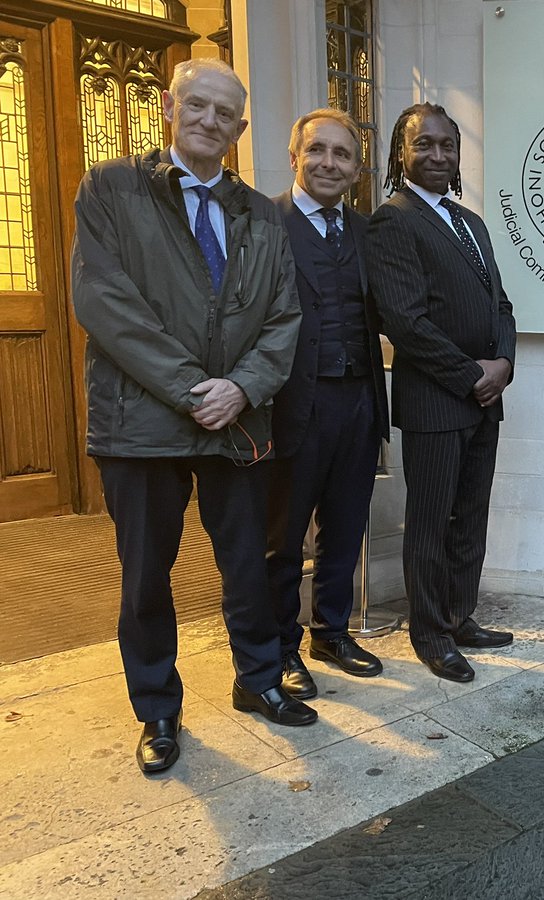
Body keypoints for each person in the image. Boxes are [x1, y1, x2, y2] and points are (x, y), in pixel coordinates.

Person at [71, 59, 314, 775]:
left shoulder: (261, 213)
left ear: (241, 128)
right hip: (141, 425)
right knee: (147, 575)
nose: (210, 120)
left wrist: (241, 388)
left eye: (225, 113)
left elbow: (284, 316)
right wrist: (192, 389)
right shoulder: (112, 187)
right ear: (170, 108)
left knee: (247, 565)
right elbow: (104, 301)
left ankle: (258, 680)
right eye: (197, 105)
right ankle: (157, 708)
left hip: (235, 423)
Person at [366, 102, 517, 684]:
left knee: (470, 516)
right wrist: (470, 376)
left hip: (485, 399)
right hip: (435, 402)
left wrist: (503, 364)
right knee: (430, 522)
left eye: (446, 145)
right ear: (400, 153)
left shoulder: (470, 222)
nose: (436, 154)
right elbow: (403, 321)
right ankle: (430, 633)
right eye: (422, 144)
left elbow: (501, 304)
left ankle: (459, 616)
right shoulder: (393, 220)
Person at [267, 109, 390, 700]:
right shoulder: (265, 222)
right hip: (293, 404)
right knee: (283, 535)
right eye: (317, 150)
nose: (329, 163)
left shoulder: (366, 232)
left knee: (345, 527)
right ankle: (280, 646)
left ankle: (331, 633)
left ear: (356, 170)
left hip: (360, 400)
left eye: (343, 154)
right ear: (295, 156)